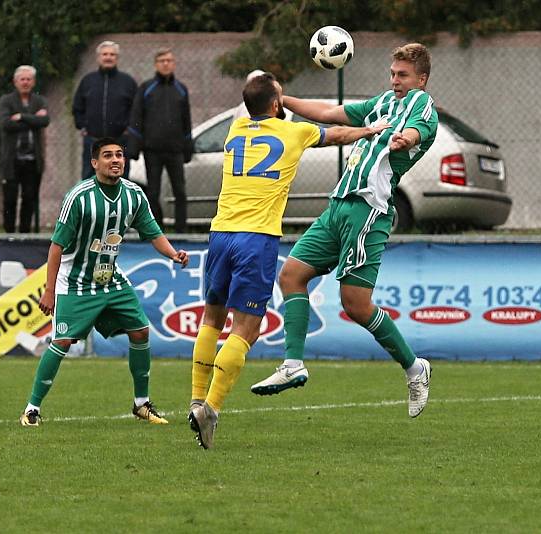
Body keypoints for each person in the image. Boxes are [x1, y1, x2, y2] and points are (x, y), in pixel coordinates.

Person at [188, 72, 389, 449]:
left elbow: (254, 100)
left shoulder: (235, 131)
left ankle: (196, 398)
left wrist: (262, 88)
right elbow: (338, 135)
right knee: (246, 329)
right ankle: (210, 408)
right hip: (256, 239)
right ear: (277, 106)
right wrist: (370, 129)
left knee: (211, 319)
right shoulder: (292, 133)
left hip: (219, 234)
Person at [250, 43, 438, 418]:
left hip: (368, 210)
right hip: (339, 205)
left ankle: (416, 368)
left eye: (402, 75)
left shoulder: (421, 105)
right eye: (392, 73)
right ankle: (293, 364)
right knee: (291, 275)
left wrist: (407, 139)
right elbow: (330, 112)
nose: (395, 80)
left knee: (355, 304)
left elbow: (421, 130)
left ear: (421, 78)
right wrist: (283, 99)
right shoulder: (383, 102)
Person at [19, 137, 189, 427]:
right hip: (75, 282)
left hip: (111, 279)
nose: (116, 160)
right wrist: (49, 290)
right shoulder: (79, 197)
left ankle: (141, 404)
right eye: (108, 155)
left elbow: (152, 232)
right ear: (94, 163)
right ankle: (31, 409)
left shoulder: (134, 195)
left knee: (140, 332)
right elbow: (56, 246)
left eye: (120, 155)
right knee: (61, 342)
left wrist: (173, 254)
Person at [127, 47, 193, 233]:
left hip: (175, 151)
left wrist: (188, 146)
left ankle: (182, 231)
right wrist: (134, 145)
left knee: (180, 192)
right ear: (156, 64)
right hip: (152, 150)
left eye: (169, 60)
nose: (166, 64)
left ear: (174, 64)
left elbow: (186, 119)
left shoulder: (181, 89)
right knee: (153, 192)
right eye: (162, 60)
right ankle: (158, 231)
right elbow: (137, 117)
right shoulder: (146, 88)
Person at [73, 41, 136, 180]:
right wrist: (82, 125)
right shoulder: (88, 81)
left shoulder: (128, 82)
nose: (108, 57)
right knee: (89, 180)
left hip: (120, 142)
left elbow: (136, 110)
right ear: (98, 58)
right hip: (93, 141)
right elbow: (77, 107)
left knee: (120, 180)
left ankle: (119, 203)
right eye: (105, 54)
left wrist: (128, 128)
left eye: (112, 54)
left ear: (117, 58)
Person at [0, 65, 50, 233]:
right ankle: (9, 236)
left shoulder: (39, 100)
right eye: (22, 79)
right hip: (12, 160)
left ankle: (25, 236)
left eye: (29, 79)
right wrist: (33, 119)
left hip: (33, 160)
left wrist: (21, 117)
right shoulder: (6, 100)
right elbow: (6, 124)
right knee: (10, 199)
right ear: (15, 82)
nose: (25, 82)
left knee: (29, 199)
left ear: (33, 82)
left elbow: (45, 121)